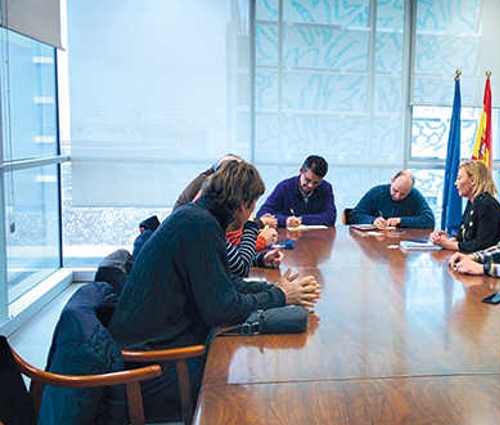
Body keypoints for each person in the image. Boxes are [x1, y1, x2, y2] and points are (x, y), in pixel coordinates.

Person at [109, 160, 321, 420]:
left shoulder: (196, 217)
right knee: (260, 398)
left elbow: (224, 282)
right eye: (253, 205)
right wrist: (281, 296)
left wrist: (276, 290)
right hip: (153, 367)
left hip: (152, 344)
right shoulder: (200, 226)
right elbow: (222, 310)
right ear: (243, 205)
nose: (252, 213)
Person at [171, 154, 278, 276]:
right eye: (254, 203)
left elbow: (221, 258)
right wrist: (251, 226)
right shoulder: (204, 224)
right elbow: (240, 269)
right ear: (243, 204)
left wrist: (260, 259)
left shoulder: (201, 213)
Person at [429, 160, 500, 253]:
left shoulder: (486, 205)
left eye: (459, 178)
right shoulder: (473, 202)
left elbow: (482, 245)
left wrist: (448, 244)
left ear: (473, 180)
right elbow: (464, 237)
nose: (455, 183)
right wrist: (443, 238)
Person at [256, 155, 337, 227]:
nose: (310, 185)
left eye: (316, 183)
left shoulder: (326, 188)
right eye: (307, 180)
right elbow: (262, 214)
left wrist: (302, 220)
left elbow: (330, 217)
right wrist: (285, 220)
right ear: (301, 171)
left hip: (316, 239)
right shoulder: (285, 187)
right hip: (287, 239)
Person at [351, 170, 434, 228]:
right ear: (392, 181)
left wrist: (401, 221)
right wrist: (373, 221)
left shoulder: (415, 195)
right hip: (376, 242)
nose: (397, 196)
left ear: (410, 190)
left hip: (403, 239)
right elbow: (355, 214)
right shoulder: (376, 192)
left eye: (403, 194)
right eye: (395, 190)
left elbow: (429, 219)